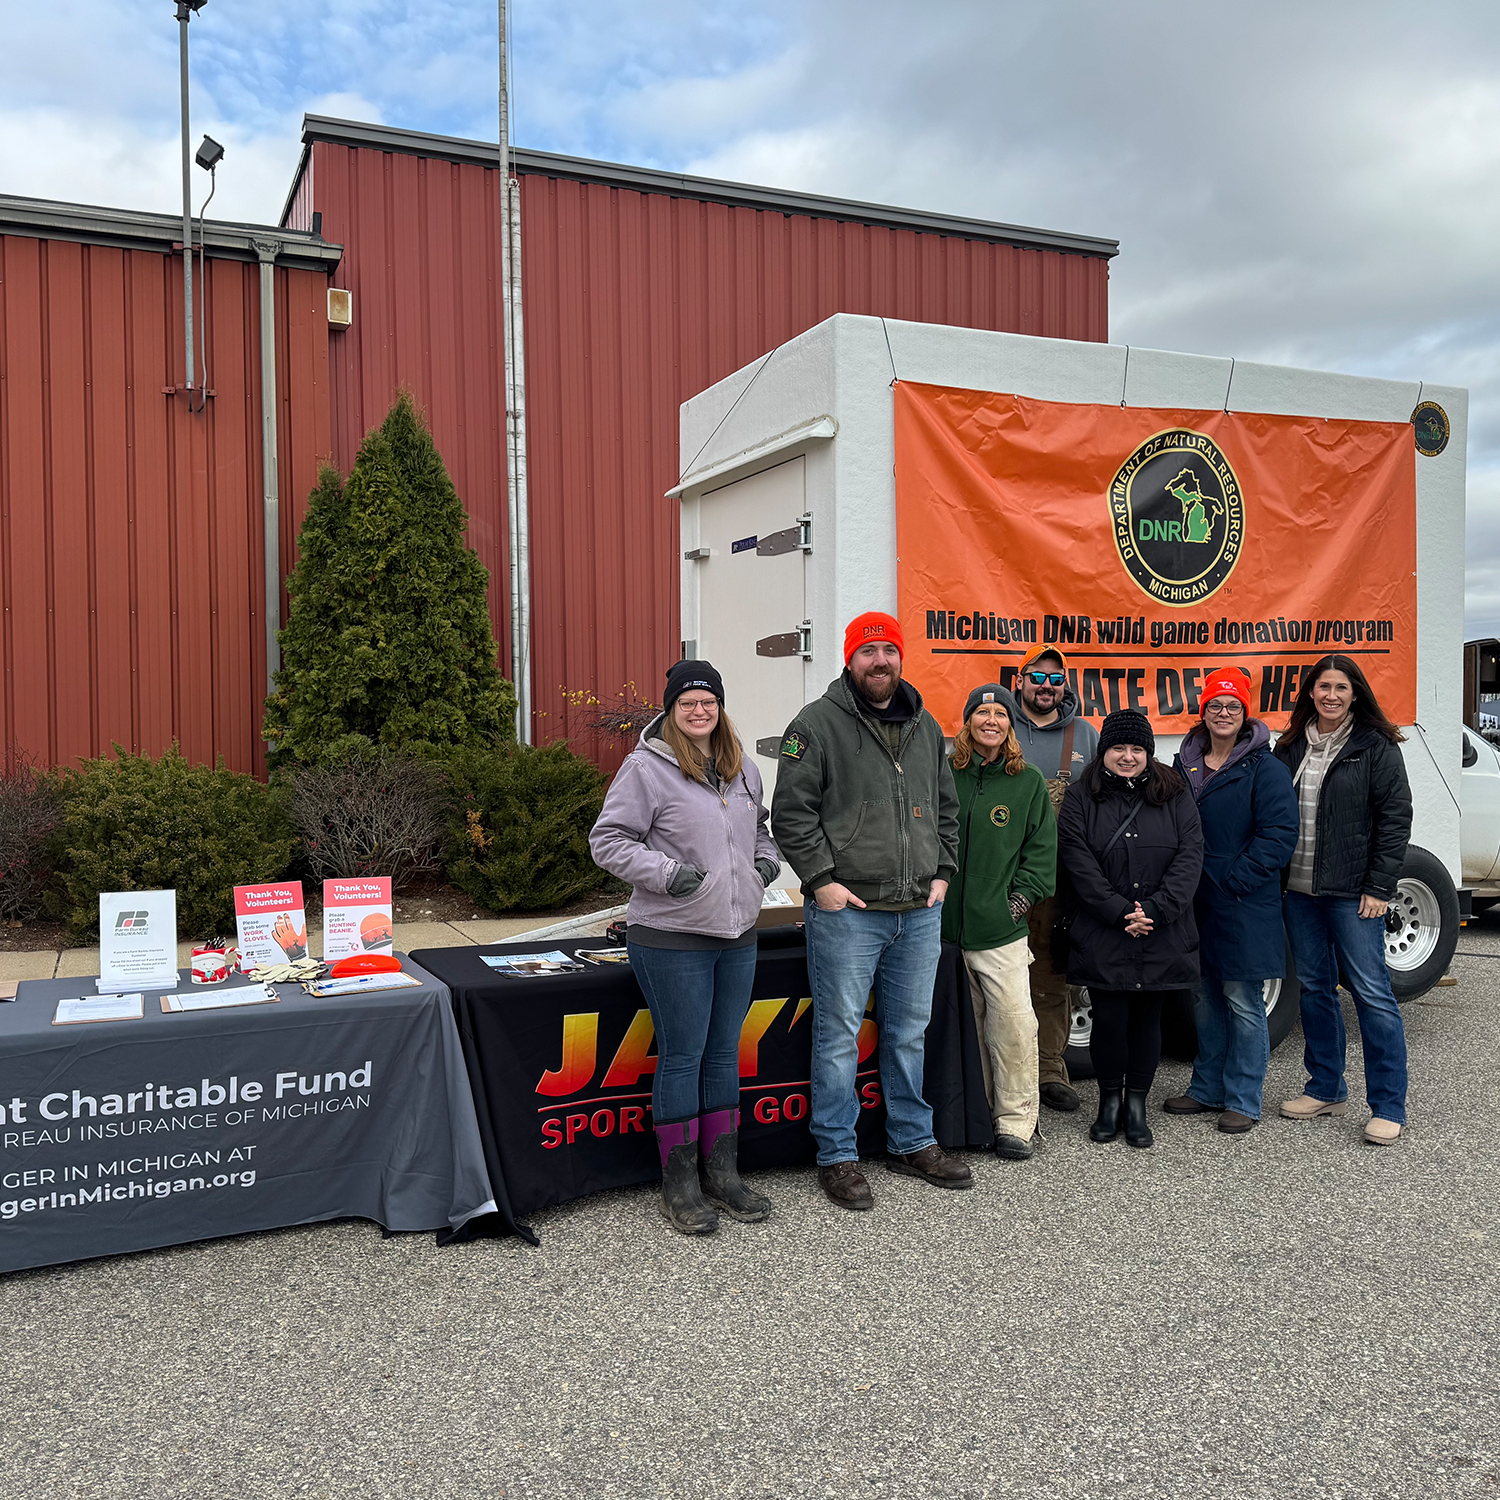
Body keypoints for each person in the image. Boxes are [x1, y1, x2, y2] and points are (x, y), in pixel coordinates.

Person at [771, 611, 970, 1209]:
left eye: (889, 650)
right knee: (837, 1037)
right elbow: (791, 814)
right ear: (849, 659)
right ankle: (837, 1154)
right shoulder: (815, 726)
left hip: (919, 911)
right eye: (869, 651)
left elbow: (946, 808)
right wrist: (821, 881)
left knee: (909, 1033)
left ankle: (912, 1139)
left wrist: (943, 872)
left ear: (900, 657)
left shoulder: (927, 725)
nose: (880, 661)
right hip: (848, 912)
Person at [589, 659, 782, 1235]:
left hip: (737, 934)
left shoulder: (743, 767)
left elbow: (761, 829)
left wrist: (765, 865)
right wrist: (668, 873)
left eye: (708, 701)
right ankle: (679, 1187)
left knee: (725, 1054)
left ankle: (723, 1175)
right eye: (687, 702)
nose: (699, 710)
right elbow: (608, 841)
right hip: (671, 937)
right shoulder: (645, 769)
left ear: (720, 707)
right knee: (684, 1056)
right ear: (671, 709)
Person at [1272, 654, 1413, 1145]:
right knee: (1314, 988)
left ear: (1356, 694)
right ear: (1310, 691)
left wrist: (1379, 886)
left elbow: (1395, 820)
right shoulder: (1288, 746)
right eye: (1323, 686)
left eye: (1341, 687)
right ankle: (1326, 1087)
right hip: (1299, 891)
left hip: (1353, 893)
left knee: (1373, 993)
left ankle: (1389, 1105)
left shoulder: (1375, 746)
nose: (1331, 695)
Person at [1056, 709, 1203, 1149]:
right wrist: (1120, 912)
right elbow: (1076, 860)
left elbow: (1190, 856)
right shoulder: (1083, 795)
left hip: (1162, 929)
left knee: (1147, 1020)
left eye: (1137, 748)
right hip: (1105, 929)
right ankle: (1110, 1102)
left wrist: (1155, 910)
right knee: (1111, 1019)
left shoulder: (1175, 792)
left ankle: (1136, 1104)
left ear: (1149, 752)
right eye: (1118, 747)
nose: (1127, 756)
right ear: (1104, 751)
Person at [1165, 670, 1299, 1132]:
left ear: (1246, 715)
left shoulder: (1266, 768)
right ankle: (1207, 1088)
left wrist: (1235, 879)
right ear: (1203, 711)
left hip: (1243, 901)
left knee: (1242, 998)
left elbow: (1279, 836)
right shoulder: (1185, 763)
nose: (1223, 714)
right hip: (1194, 901)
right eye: (1216, 706)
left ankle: (1243, 1097)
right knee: (1204, 996)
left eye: (1233, 707)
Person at [942, 684, 1057, 1160]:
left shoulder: (1027, 781)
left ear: (1012, 724)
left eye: (1000, 713)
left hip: (1000, 932)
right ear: (967, 720)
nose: (990, 720)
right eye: (981, 712)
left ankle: (1016, 1121)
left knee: (1011, 1026)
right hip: (946, 930)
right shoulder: (945, 774)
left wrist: (1017, 903)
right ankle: (976, 1116)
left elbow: (1041, 854)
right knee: (964, 1028)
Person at [1010, 647, 1099, 1114]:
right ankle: (1004, 1074)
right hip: (1005, 883)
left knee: (1051, 980)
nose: (1046, 685)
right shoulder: (998, 724)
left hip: (1062, 884)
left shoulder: (1085, 735)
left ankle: (1048, 1071)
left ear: (1066, 684)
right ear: (1020, 680)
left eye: (1056, 678)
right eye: (1037, 676)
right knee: (1002, 979)